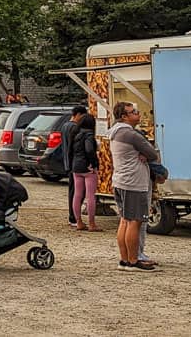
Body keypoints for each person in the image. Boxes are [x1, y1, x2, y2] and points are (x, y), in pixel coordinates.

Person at [110, 101, 159, 272]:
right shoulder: (131, 134)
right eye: (134, 112)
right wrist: (144, 154)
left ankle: (124, 259)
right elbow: (153, 153)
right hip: (134, 182)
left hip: (120, 180)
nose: (138, 114)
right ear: (124, 116)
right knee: (135, 222)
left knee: (125, 220)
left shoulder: (115, 132)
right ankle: (133, 260)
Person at [70, 112, 101, 232]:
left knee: (77, 194)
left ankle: (78, 222)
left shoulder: (75, 134)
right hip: (87, 168)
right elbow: (89, 149)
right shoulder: (89, 135)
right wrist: (93, 163)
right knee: (90, 196)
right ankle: (92, 223)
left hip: (76, 167)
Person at [60, 106, 85, 227]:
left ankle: (73, 216)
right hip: (75, 163)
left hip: (68, 162)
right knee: (77, 191)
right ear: (78, 115)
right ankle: (74, 216)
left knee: (72, 190)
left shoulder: (65, 126)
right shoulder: (75, 127)